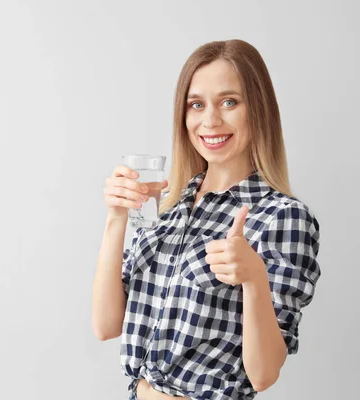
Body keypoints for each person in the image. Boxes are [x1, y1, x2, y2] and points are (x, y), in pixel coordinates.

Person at [92, 39, 322, 400]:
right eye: (196, 104)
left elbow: (263, 375)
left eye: (229, 102)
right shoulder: (166, 208)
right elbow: (105, 326)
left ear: (258, 110)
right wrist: (116, 219)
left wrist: (254, 278)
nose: (210, 120)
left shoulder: (282, 217)